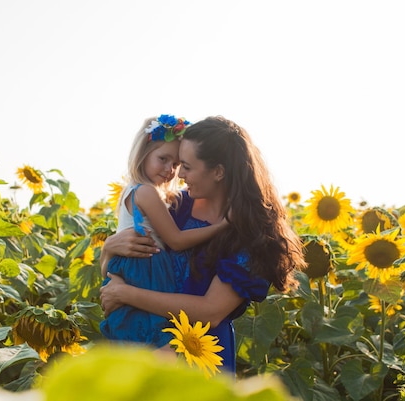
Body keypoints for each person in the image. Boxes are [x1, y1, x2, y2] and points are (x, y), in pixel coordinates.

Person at [100, 115, 306, 375]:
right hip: (147, 345)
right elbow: (122, 272)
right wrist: (108, 250)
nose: (179, 175)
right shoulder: (176, 206)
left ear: (218, 171)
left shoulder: (251, 235)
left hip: (200, 357)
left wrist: (127, 295)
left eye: (185, 166)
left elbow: (210, 312)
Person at [99, 114, 228, 348]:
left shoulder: (142, 191)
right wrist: (220, 227)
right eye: (163, 159)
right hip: (144, 272)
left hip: (136, 269)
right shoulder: (146, 193)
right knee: (157, 339)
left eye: (178, 164)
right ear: (143, 153)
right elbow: (176, 240)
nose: (171, 170)